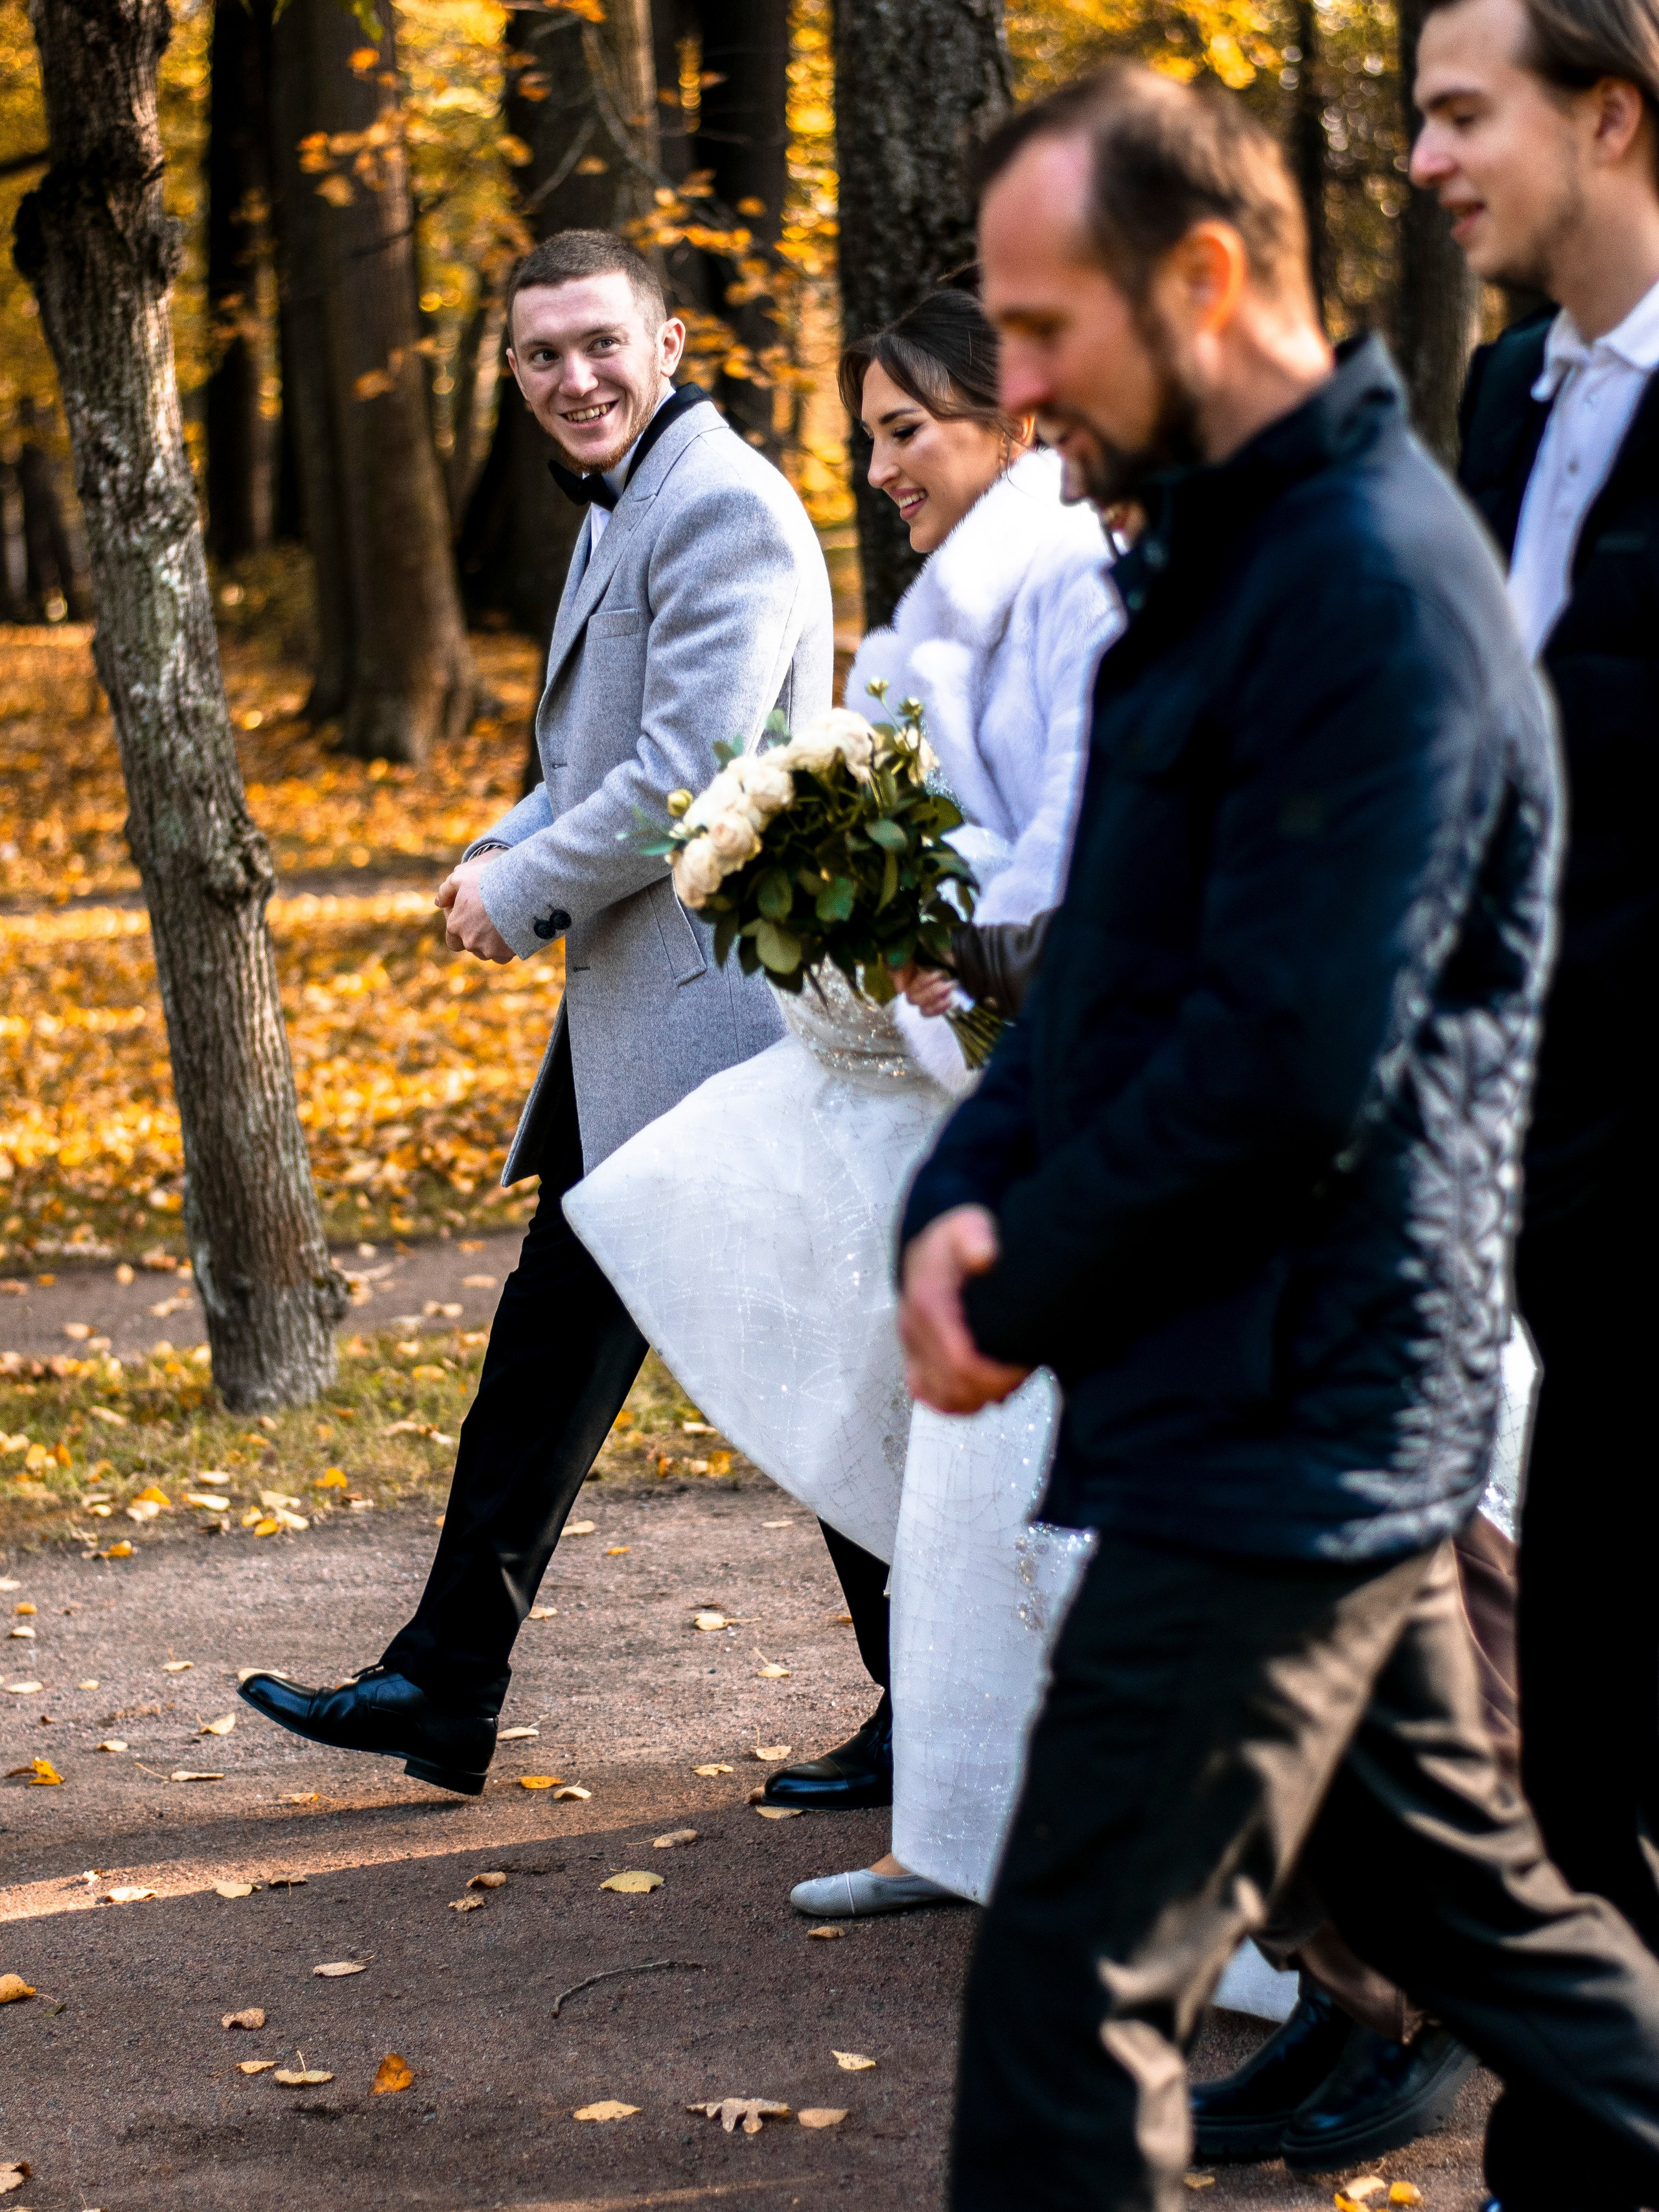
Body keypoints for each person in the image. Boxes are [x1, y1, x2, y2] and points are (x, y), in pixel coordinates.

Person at [897, 64, 1659, 2212]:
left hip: (1294, 1401)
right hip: (1255, 1391)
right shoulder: (1207, 554)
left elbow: (1290, 1063)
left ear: (1209, 279)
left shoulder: (1368, 590)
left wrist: (1022, 1272)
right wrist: (957, 1203)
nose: (1017, 383)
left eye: (1046, 330)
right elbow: (1107, 967)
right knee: (1494, 1928)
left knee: (1068, 1999)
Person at [238, 229, 833, 1793]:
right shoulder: (629, 503)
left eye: (598, 345)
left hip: (722, 1033)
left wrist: (520, 892)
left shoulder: (717, 509)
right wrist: (507, 837)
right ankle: (443, 1686)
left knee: (820, 1364)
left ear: (671, 343)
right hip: (639, 1030)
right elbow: (601, 763)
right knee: (552, 1353)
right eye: (539, 356)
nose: (572, 378)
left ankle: (950, 1707)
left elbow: (682, 776)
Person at [561, 284, 1117, 1907]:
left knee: (1026, 1474)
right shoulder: (961, 585)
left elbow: (1069, 833)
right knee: (949, 1466)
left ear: (1004, 416)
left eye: (903, 430)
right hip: (964, 1067)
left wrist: (957, 950)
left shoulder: (1072, 581)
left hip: (1049, 1080)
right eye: (868, 434)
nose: (876, 465)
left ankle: (1066, 1840)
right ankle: (950, 1823)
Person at [1412, 0, 1659, 1959]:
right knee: (1576, 1738)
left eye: (1459, 115)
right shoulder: (1507, 394)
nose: (1425, 160)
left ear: (1611, 112)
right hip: (1541, 1151)